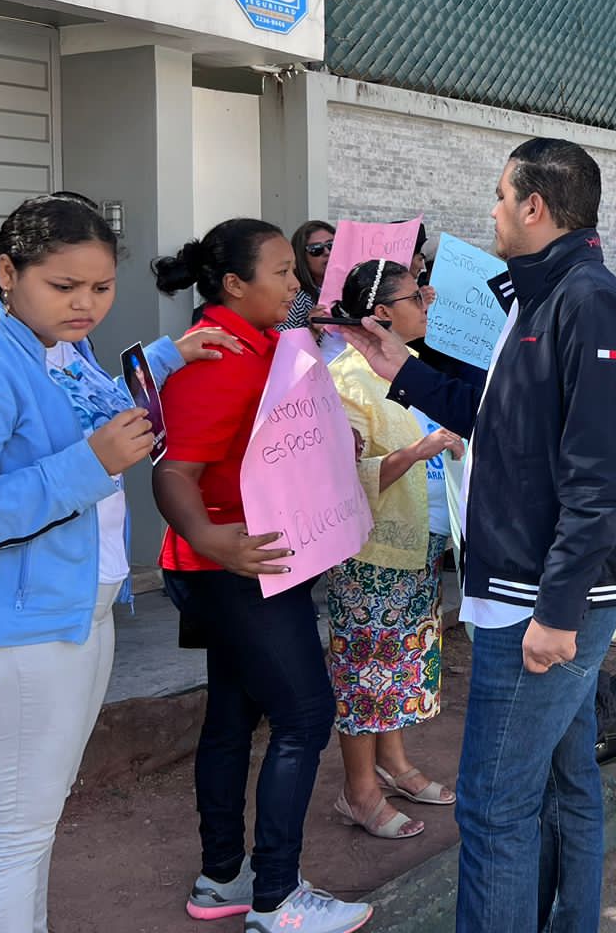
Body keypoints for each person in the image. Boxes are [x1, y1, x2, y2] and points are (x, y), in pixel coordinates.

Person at [340, 137, 616, 933]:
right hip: (532, 588)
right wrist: (402, 370)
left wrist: (557, 609)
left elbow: (601, 474)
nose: (492, 210)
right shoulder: (539, 297)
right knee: (560, 784)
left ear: (534, 207)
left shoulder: (588, 301)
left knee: (492, 804)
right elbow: (500, 417)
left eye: (500, 196)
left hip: (541, 600)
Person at [0, 194, 236, 933]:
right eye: (64, 286)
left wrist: (167, 356)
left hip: (69, 612)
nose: (86, 305)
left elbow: (87, 401)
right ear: (8, 272)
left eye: (101, 287)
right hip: (9, 627)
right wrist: (88, 466)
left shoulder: (60, 341)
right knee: (12, 835)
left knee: (31, 824)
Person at [150, 219, 372, 932]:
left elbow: (270, 439)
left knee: (233, 714)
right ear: (234, 284)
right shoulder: (217, 355)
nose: (296, 283)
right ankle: (278, 897)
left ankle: (223, 878)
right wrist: (211, 538)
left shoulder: (268, 343)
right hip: (236, 568)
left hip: (257, 559)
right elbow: (174, 472)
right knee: (304, 715)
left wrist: (333, 439)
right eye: (281, 272)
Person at [325, 259, 464, 840]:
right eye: (416, 298)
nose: (426, 305)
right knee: (365, 666)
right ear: (382, 312)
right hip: (369, 552)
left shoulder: (410, 364)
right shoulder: (344, 379)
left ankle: (395, 764)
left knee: (400, 660)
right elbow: (339, 479)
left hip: (418, 540)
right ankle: (358, 791)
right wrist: (418, 451)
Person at [280, 219, 335, 329]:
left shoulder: (357, 288)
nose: (327, 252)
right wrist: (311, 331)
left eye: (331, 245)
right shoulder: (294, 299)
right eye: (316, 249)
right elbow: (282, 339)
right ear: (302, 257)